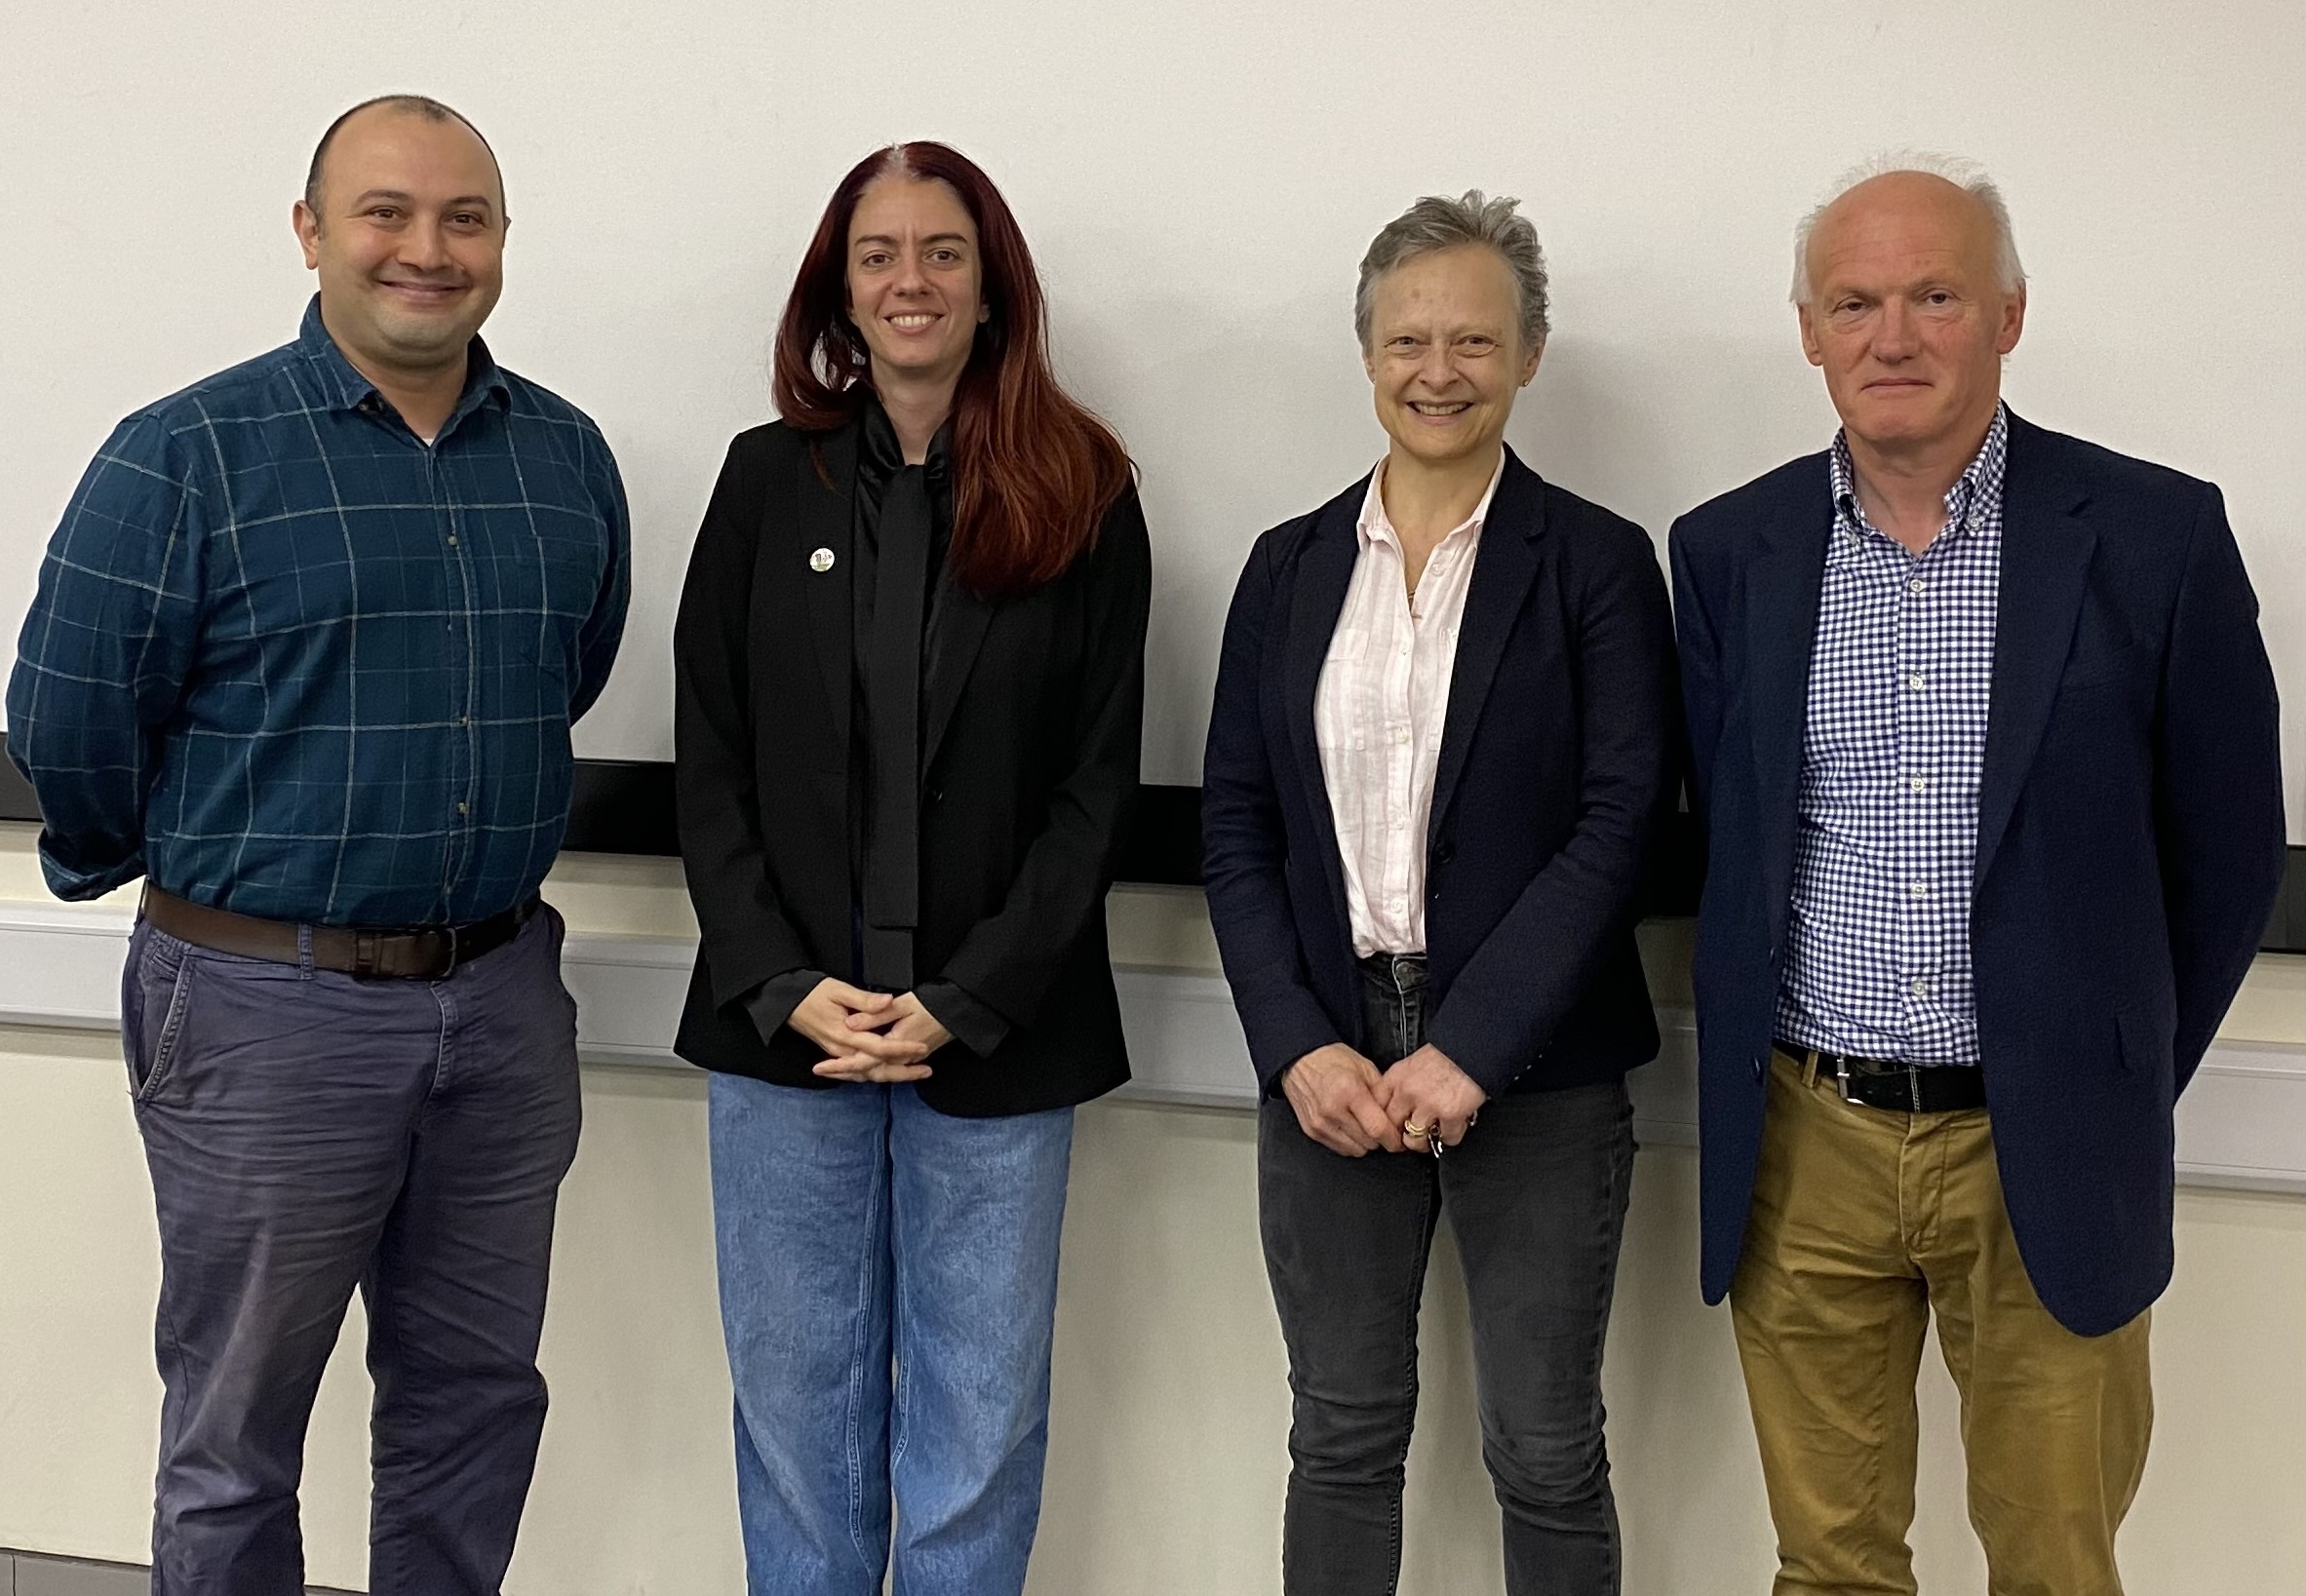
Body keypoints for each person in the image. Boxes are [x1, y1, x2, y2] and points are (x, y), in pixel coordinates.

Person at [5, 95, 631, 1595]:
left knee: (474, 1404)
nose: (427, 249)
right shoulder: (184, 455)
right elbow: (67, 723)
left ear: (499, 243)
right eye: (386, 213)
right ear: (310, 233)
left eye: (464, 218)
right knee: (236, 1437)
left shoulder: (563, 458)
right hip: (259, 1009)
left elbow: (570, 675)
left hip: (497, 1006)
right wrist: (201, 871)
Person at [1670, 154, 2285, 1596]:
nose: (1892, 336)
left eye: (1933, 296)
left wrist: (2109, 1064)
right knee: (1826, 1563)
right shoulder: (1726, 550)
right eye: (1855, 301)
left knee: (2053, 1561)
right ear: (1807, 327)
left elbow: (2228, 850)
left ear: (2006, 315)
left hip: (2044, 1146)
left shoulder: (2152, 537)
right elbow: (1733, 834)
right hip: (1805, 1139)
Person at [670, 140, 1149, 1596]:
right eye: (878, 254)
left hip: (997, 1037)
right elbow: (710, 756)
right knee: (795, 1416)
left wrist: (965, 993)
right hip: (784, 1034)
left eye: (940, 251)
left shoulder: (1083, 484)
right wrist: (782, 977)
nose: (909, 281)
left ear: (991, 284)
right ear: (840, 287)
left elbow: (1095, 782)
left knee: (978, 1425)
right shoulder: (767, 483)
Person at [1201, 190, 1676, 1596]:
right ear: (1363, 353)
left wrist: (1471, 1045)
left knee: (1541, 1444)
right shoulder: (1287, 568)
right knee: (1339, 1434)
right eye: (1406, 336)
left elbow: (1619, 821)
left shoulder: (1593, 563)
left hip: (1536, 1071)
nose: (1438, 369)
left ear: (1529, 354)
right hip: (1330, 1063)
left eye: (1475, 337)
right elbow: (1233, 822)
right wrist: (1293, 1044)